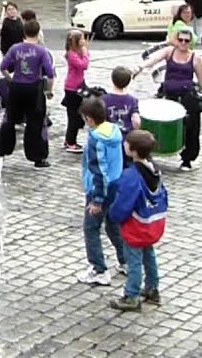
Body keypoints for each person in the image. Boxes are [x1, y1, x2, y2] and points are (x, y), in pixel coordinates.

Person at [136, 26, 202, 172]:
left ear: (191, 41)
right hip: (169, 95)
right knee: (157, 123)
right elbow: (154, 59)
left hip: (187, 96)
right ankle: (151, 151)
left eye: (187, 40)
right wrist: (140, 67)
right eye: (181, 40)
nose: (183, 43)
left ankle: (187, 159)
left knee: (192, 128)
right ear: (176, 40)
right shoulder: (169, 51)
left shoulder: (195, 58)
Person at [107, 130, 167, 311]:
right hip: (153, 222)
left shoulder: (131, 175)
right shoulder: (154, 169)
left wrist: (113, 215)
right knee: (149, 255)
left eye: (126, 143)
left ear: (133, 150)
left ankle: (131, 296)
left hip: (136, 225)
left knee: (133, 260)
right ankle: (152, 288)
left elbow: (124, 203)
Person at [75, 98, 126, 285]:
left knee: (91, 228)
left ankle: (99, 270)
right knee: (113, 225)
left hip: (100, 189)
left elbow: (99, 172)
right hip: (115, 184)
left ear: (89, 119)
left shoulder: (96, 140)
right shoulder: (114, 131)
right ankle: (126, 261)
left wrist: (97, 200)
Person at [0, 20, 55, 167]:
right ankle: (37, 157)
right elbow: (50, 74)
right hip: (34, 88)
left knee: (10, 118)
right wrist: (49, 90)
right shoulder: (42, 51)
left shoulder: (15, 48)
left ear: (24, 32)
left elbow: (3, 67)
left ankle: (2, 149)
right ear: (38, 32)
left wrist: (10, 79)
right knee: (35, 122)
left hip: (17, 86)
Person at [102, 67, 140, 163]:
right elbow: (136, 121)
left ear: (112, 80)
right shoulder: (132, 100)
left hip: (109, 137)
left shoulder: (104, 99)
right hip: (126, 139)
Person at [62, 30, 91, 153]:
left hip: (78, 85)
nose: (84, 41)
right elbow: (83, 65)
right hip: (72, 88)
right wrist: (85, 53)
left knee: (77, 116)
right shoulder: (71, 54)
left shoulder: (76, 52)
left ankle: (70, 140)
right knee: (73, 117)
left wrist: (85, 52)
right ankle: (70, 142)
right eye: (82, 39)